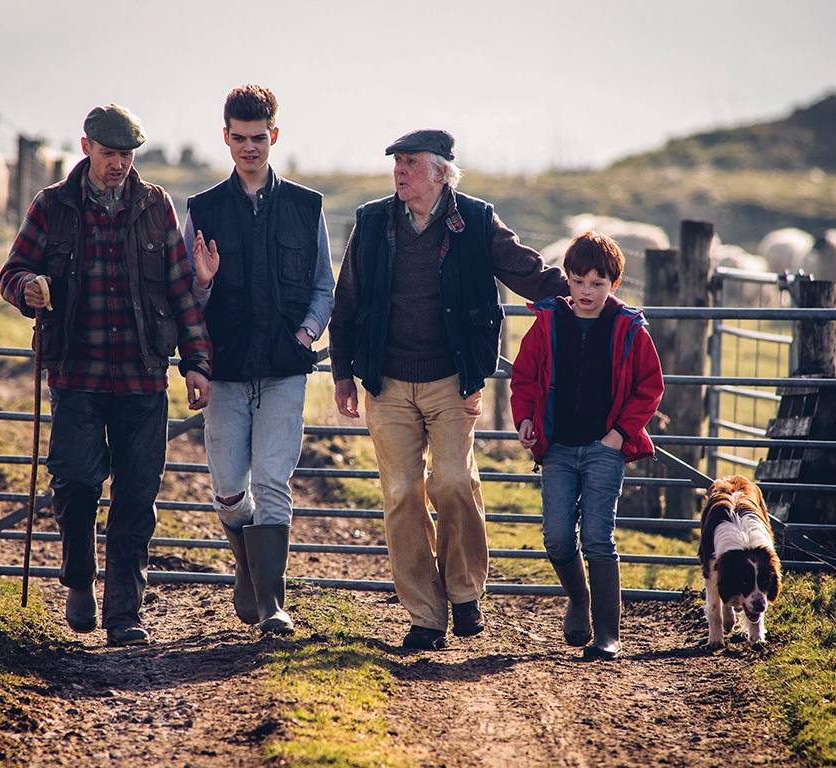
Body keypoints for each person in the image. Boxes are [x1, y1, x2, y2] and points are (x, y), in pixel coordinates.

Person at [328, 129, 569, 650]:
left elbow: (528, 272)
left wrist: (586, 294)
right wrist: (343, 372)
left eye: (410, 162)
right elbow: (347, 300)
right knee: (400, 494)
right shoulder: (372, 221)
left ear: (440, 172)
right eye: (396, 162)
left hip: (451, 381)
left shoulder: (476, 221)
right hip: (387, 382)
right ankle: (425, 615)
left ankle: (464, 593)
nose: (399, 171)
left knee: (455, 481)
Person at [0, 104, 212, 647]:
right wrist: (27, 288)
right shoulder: (52, 205)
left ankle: (124, 615)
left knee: (137, 496)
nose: (119, 163)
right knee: (75, 481)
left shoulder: (156, 205)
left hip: (143, 375)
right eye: (109, 153)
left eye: (127, 155)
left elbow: (180, 289)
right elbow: (12, 271)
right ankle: (78, 578)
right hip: (76, 372)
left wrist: (196, 362)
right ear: (86, 147)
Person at [184, 85, 335, 635]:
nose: (250, 147)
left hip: (284, 370)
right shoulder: (202, 210)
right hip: (225, 372)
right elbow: (185, 302)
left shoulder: (306, 206)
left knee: (272, 481)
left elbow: (323, 286)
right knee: (229, 490)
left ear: (274, 135)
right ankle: (248, 569)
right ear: (225, 138)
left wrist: (306, 334)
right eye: (239, 138)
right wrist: (203, 283)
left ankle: (271, 602)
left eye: (258, 138)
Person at [509, 231, 664, 660]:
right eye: (578, 281)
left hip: (604, 448)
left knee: (598, 537)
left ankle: (608, 633)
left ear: (614, 284)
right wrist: (525, 420)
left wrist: (619, 436)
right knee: (558, 538)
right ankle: (579, 599)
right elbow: (524, 378)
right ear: (568, 279)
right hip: (557, 448)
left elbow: (649, 387)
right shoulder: (548, 322)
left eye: (597, 283)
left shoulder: (629, 328)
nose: (586, 291)